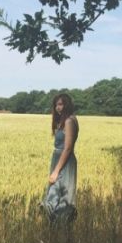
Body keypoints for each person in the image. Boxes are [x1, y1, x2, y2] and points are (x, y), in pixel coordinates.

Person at [41, 93, 79, 225]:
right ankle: (54, 228)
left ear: (67, 105)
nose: (58, 107)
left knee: (62, 194)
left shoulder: (69, 121)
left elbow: (67, 148)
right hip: (58, 159)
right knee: (55, 192)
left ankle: (61, 230)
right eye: (56, 104)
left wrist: (56, 171)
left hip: (65, 162)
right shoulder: (62, 121)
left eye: (61, 104)